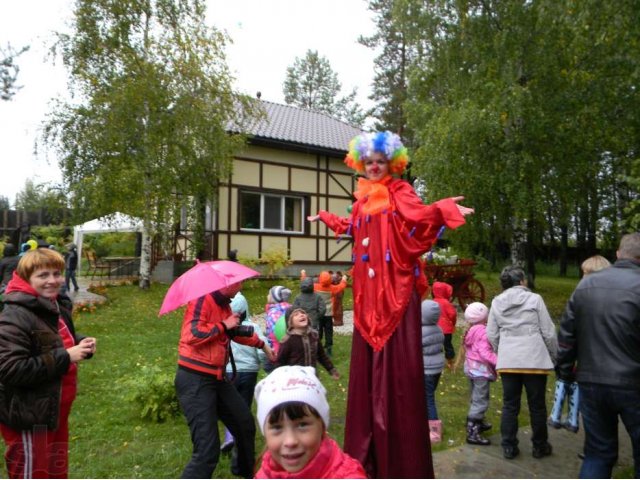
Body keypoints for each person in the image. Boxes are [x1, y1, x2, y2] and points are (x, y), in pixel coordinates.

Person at [307, 131, 473, 478]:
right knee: (367, 366)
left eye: (380, 162)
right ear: (361, 163)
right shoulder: (362, 199)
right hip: (367, 296)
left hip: (394, 290)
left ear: (391, 164)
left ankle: (397, 454)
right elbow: (349, 225)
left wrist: (445, 209)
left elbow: (421, 216)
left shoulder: (400, 192)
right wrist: (324, 216)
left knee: (395, 370)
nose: (374, 167)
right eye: (368, 162)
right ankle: (367, 453)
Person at [0, 248, 97, 478]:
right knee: (35, 473)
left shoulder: (52, 304)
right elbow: (9, 369)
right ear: (26, 278)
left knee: (55, 473)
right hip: (30, 417)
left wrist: (80, 343)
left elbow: (48, 339)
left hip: (53, 413)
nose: (52, 281)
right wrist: (67, 356)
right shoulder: (15, 315)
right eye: (43, 275)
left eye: (56, 273)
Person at [557, 233, 640, 479]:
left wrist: (564, 370)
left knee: (598, 453)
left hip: (592, 382)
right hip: (633, 383)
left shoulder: (586, 284)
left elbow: (566, 333)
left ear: (617, 253)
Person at [174, 279, 276, 479]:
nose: (241, 288)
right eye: (239, 284)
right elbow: (192, 334)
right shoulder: (202, 299)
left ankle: (245, 473)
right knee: (207, 452)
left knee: (244, 425)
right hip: (195, 379)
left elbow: (233, 332)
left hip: (217, 378)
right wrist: (223, 324)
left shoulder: (224, 304)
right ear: (226, 284)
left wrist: (261, 344)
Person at [486, 265, 558, 460]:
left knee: (510, 404)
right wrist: (554, 356)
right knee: (537, 405)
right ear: (521, 281)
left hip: (509, 359)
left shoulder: (497, 302)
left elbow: (491, 333)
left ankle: (509, 446)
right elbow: (549, 332)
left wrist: (502, 350)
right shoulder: (535, 299)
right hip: (534, 358)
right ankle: (540, 446)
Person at [254, 365, 366, 479]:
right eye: (277, 427)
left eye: (302, 425)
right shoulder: (264, 474)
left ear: (322, 426)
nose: (290, 441)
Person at [549, 254, 611, 434]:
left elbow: (568, 335)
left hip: (590, 361)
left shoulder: (581, 298)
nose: (583, 277)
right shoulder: (618, 297)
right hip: (610, 363)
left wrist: (564, 366)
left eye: (586, 273)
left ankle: (594, 449)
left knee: (595, 408)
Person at [220, 291, 268, 468]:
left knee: (229, 406)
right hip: (249, 373)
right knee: (244, 406)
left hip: (229, 372)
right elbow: (262, 349)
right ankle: (238, 443)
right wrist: (266, 364)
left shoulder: (225, 329)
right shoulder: (253, 327)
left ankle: (229, 436)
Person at [461, 302, 496, 446]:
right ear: (484, 316)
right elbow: (484, 352)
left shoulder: (472, 329)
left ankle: (477, 422)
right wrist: (499, 361)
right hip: (480, 371)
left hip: (471, 368)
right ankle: (473, 432)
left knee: (475, 397)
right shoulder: (483, 331)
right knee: (481, 400)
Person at [276, 307, 339, 380]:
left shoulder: (314, 335)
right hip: (295, 380)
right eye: (296, 314)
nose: (301, 315)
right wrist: (280, 378)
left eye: (303, 313)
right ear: (290, 323)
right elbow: (280, 361)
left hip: (313, 377)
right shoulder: (288, 340)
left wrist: (331, 369)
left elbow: (321, 355)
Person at [301, 269, 347, 356]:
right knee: (329, 332)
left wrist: (303, 273)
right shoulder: (332, 288)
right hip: (328, 315)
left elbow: (305, 282)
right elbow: (341, 286)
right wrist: (344, 278)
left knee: (318, 331)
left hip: (318, 314)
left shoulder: (315, 287)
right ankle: (328, 348)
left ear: (320, 279)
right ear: (330, 280)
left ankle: (318, 347)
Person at [421, 299, 445, 443]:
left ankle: (435, 432)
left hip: (426, 370)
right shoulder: (439, 329)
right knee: (428, 396)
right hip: (437, 369)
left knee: (428, 399)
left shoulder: (420, 332)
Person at [264, 285, 292, 373]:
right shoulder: (291, 309)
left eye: (269, 294)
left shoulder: (274, 313)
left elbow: (275, 333)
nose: (267, 296)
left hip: (277, 352)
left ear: (275, 298)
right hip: (292, 351)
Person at [432, 281, 458, 370]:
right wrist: (453, 323)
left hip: (435, 330)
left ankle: (436, 362)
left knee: (436, 346)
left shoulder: (433, 302)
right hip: (446, 330)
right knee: (448, 345)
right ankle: (450, 362)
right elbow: (453, 314)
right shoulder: (446, 303)